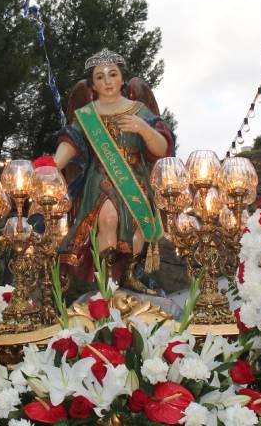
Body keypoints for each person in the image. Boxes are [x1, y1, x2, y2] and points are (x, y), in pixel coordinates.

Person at [53, 49, 174, 292]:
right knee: (108, 218)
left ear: (122, 79)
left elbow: (163, 150)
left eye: (112, 74)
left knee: (138, 225)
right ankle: (105, 280)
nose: (107, 81)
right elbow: (72, 142)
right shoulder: (86, 115)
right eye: (100, 77)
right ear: (93, 85)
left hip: (136, 176)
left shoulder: (139, 110)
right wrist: (52, 166)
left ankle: (131, 273)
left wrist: (145, 130)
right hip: (100, 177)